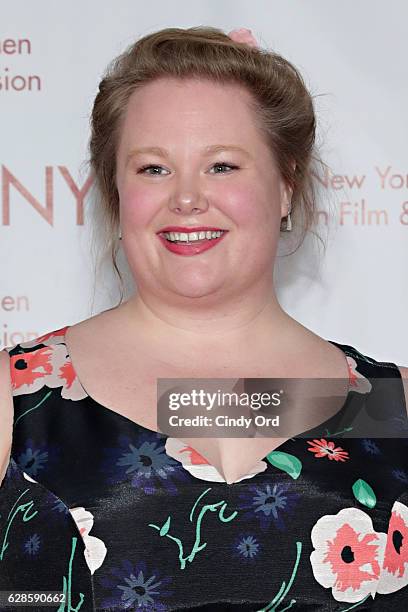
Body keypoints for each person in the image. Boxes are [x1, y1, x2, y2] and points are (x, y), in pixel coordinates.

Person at [0, 25, 407, 611]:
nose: (186, 198)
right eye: (153, 169)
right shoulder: (18, 398)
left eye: (221, 165)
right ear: (116, 192)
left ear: (287, 184)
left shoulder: (393, 403)